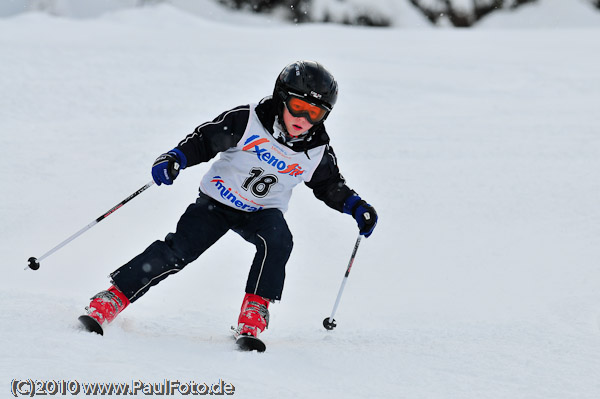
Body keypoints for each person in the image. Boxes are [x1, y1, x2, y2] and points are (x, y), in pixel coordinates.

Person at [80, 60, 378, 341]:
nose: (303, 119)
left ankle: (254, 309)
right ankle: (114, 296)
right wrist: (176, 158)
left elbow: (328, 185)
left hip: (262, 211)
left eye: (315, 112)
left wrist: (356, 206)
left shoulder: (316, 151)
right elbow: (204, 141)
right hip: (216, 203)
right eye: (298, 106)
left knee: (278, 241)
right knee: (178, 251)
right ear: (281, 99)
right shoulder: (248, 121)